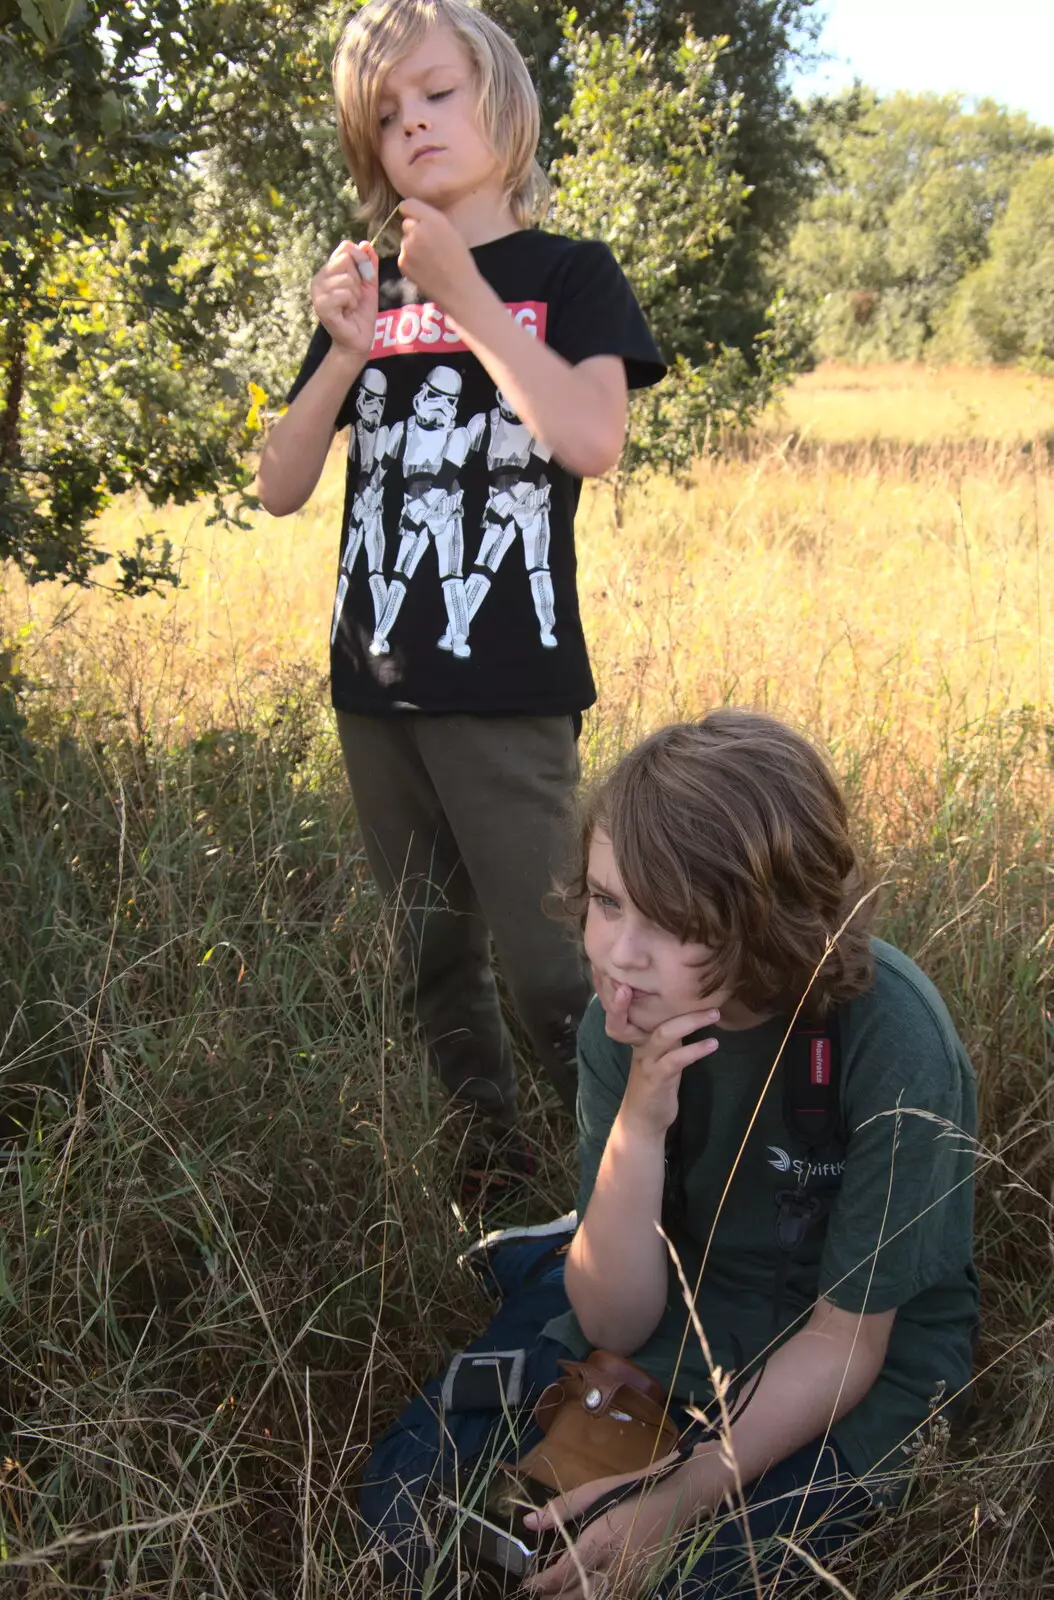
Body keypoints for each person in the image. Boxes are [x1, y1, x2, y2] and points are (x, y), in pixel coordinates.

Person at [359, 709, 979, 1598]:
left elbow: (847, 1342)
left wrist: (677, 1498)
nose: (618, 954)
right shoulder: (626, 1013)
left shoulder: (890, 1039)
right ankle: (550, 1256)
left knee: (677, 1580)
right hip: (669, 1309)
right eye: (607, 901)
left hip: (832, 1338)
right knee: (404, 1512)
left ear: (768, 920)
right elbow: (614, 1323)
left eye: (671, 921)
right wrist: (641, 1119)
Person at [256, 0, 665, 1154]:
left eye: (437, 94)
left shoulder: (570, 274)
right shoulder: (368, 291)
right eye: (389, 115)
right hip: (374, 685)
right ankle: (486, 1173)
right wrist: (344, 351)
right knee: (433, 959)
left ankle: (632, 1185)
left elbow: (588, 436)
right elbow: (280, 484)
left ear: (502, 103)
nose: (415, 126)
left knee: (552, 969)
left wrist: (468, 299)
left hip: (507, 687)